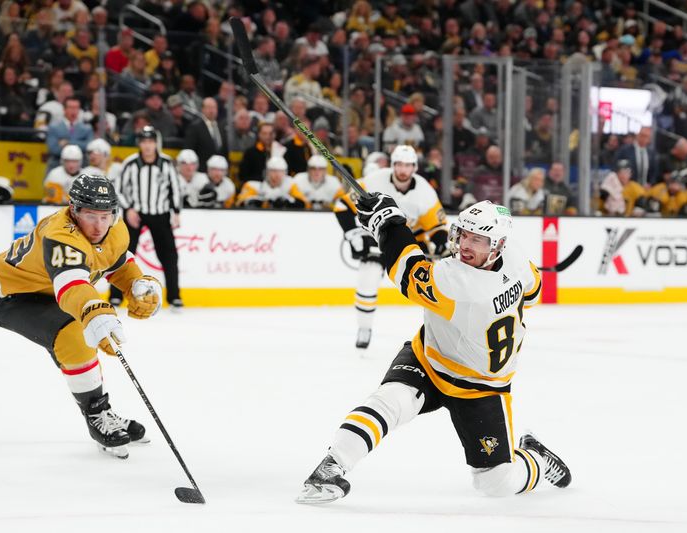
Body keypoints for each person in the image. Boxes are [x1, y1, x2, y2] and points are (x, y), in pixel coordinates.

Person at [297, 195, 570, 503]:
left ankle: (534, 457)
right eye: (464, 234)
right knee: (391, 401)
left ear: (497, 245)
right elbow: (533, 292)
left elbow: (407, 270)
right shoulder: (517, 260)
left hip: (480, 388)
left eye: (477, 239)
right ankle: (330, 469)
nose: (465, 244)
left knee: (496, 483)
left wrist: (388, 224)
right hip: (430, 356)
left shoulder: (460, 283)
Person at [0, 174, 162, 459]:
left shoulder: (115, 229)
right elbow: (71, 283)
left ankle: (101, 411)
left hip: (46, 290)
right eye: (90, 215)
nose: (99, 225)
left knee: (76, 340)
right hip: (11, 293)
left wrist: (136, 284)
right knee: (73, 335)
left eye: (105, 216)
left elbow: (114, 261)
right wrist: (93, 311)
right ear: (74, 209)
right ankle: (97, 416)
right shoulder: (60, 233)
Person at [334, 145, 448, 350]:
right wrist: (353, 234)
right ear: (392, 165)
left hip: (410, 243)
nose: (403, 170)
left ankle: (439, 336)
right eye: (399, 165)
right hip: (380, 240)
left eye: (408, 165)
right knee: (367, 278)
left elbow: (438, 226)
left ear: (414, 167)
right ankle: (364, 328)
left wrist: (440, 242)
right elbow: (342, 207)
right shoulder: (374, 180)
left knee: (431, 290)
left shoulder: (424, 190)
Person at [112, 126, 183, 309]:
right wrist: (128, 209)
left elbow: (175, 189)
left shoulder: (167, 163)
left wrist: (176, 212)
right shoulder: (131, 163)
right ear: (140, 144)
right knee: (123, 254)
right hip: (136, 212)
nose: (148, 146)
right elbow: (118, 188)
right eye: (144, 142)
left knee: (169, 256)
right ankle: (116, 295)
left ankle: (174, 296)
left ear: (156, 143)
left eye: (151, 141)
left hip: (160, 213)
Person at [236, 156, 310, 209]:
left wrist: (289, 203)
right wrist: (262, 203)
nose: (277, 175)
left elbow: (305, 204)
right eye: (273, 171)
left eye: (281, 171)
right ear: (267, 172)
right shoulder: (254, 185)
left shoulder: (290, 185)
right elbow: (239, 203)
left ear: (285, 173)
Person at [184, 97, 227, 172]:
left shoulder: (221, 127)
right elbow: (189, 150)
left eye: (214, 107)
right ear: (202, 109)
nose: (212, 110)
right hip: (201, 171)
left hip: (219, 172)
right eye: (209, 107)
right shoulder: (195, 127)